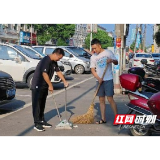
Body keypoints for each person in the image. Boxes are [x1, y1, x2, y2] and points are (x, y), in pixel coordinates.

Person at [31, 48, 69, 132]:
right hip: (38, 84)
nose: (59, 59)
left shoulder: (53, 62)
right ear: (56, 54)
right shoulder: (46, 60)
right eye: (59, 58)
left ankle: (41, 120)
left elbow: (58, 71)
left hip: (44, 86)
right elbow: (44, 73)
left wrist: (64, 81)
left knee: (42, 104)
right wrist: (50, 85)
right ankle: (37, 123)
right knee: (37, 104)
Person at [90, 38, 118, 125]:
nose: (94, 50)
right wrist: (98, 78)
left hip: (108, 79)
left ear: (99, 46)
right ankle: (103, 118)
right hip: (99, 80)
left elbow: (116, 62)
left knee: (110, 99)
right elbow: (92, 70)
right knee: (101, 100)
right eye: (92, 49)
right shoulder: (93, 57)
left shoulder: (108, 53)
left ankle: (117, 118)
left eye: (95, 48)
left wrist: (112, 60)